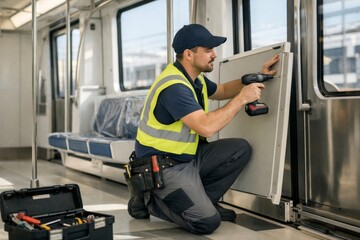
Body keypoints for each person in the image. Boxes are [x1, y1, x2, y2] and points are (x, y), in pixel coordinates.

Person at [128, 23, 279, 234]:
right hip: (164, 167)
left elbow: (224, 89)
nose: (214, 55)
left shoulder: (194, 79)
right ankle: (149, 200)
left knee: (240, 149)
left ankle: (203, 202)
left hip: (188, 157)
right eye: (208, 50)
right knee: (207, 223)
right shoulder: (175, 87)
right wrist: (242, 99)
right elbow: (206, 128)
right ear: (189, 54)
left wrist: (257, 75)